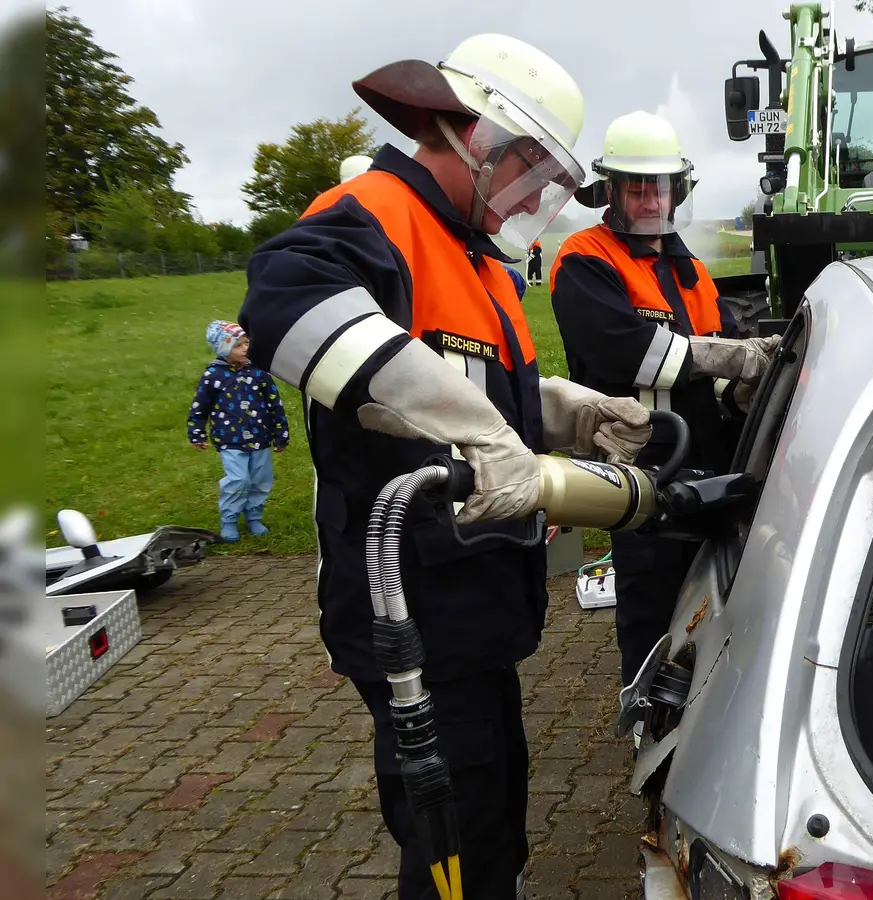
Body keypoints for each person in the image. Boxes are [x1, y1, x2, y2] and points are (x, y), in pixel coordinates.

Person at [238, 35, 652, 900]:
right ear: (479, 139)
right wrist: (489, 442)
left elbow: (472, 388)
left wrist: (567, 410)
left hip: (474, 607)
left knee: (493, 816)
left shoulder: (474, 255)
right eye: (531, 176)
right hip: (410, 602)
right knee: (454, 849)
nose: (529, 202)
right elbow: (287, 303)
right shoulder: (376, 213)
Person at [549, 110, 779, 686]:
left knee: (712, 594)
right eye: (637, 186)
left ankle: (704, 705)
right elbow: (627, 353)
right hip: (640, 466)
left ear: (679, 190)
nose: (652, 200)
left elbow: (716, 355)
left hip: (709, 465)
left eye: (662, 186)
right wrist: (732, 358)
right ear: (610, 190)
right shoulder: (583, 261)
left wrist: (741, 390)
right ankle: (647, 718)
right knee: (650, 605)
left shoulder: (690, 266)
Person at [186, 320, 289, 542]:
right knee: (238, 479)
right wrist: (196, 432)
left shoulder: (259, 372)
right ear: (223, 349)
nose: (245, 348)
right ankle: (229, 520)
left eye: (246, 343)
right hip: (230, 440)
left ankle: (254, 517)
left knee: (261, 480)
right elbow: (200, 406)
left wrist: (280, 433)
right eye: (238, 345)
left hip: (260, 438)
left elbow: (274, 403)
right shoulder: (213, 375)